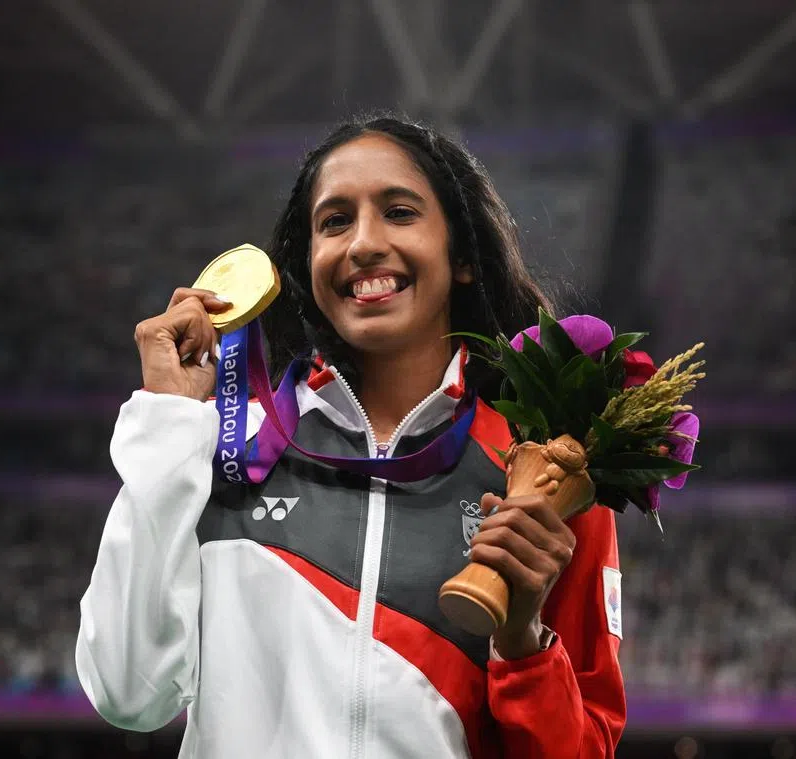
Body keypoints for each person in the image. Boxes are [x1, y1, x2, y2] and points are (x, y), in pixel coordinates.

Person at [76, 116, 626, 758]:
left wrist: (523, 640)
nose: (363, 243)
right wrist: (169, 424)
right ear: (308, 265)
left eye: (399, 213)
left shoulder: (544, 475)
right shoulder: (227, 444)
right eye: (335, 221)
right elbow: (129, 693)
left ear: (463, 257)